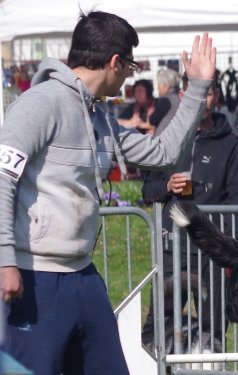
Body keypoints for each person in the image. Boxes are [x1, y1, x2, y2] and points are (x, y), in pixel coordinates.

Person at [0, 10, 216, 374]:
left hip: (83, 277)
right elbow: (3, 179)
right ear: (115, 61)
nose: (131, 76)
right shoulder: (39, 104)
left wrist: (196, 88)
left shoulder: (101, 118)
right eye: (130, 66)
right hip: (32, 276)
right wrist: (5, 259)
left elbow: (164, 154)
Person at [141, 72, 238, 348]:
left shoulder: (231, 145)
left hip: (210, 255)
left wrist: (222, 243)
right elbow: (147, 191)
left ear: (217, 98)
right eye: (195, 95)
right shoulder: (168, 140)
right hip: (172, 250)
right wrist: (167, 185)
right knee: (157, 329)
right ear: (183, 97)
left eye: (208, 94)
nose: (202, 101)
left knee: (212, 331)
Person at [155, 68, 182, 136]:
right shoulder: (180, 97)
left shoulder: (165, 100)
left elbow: (152, 121)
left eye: (159, 85)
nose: (158, 88)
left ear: (166, 86)